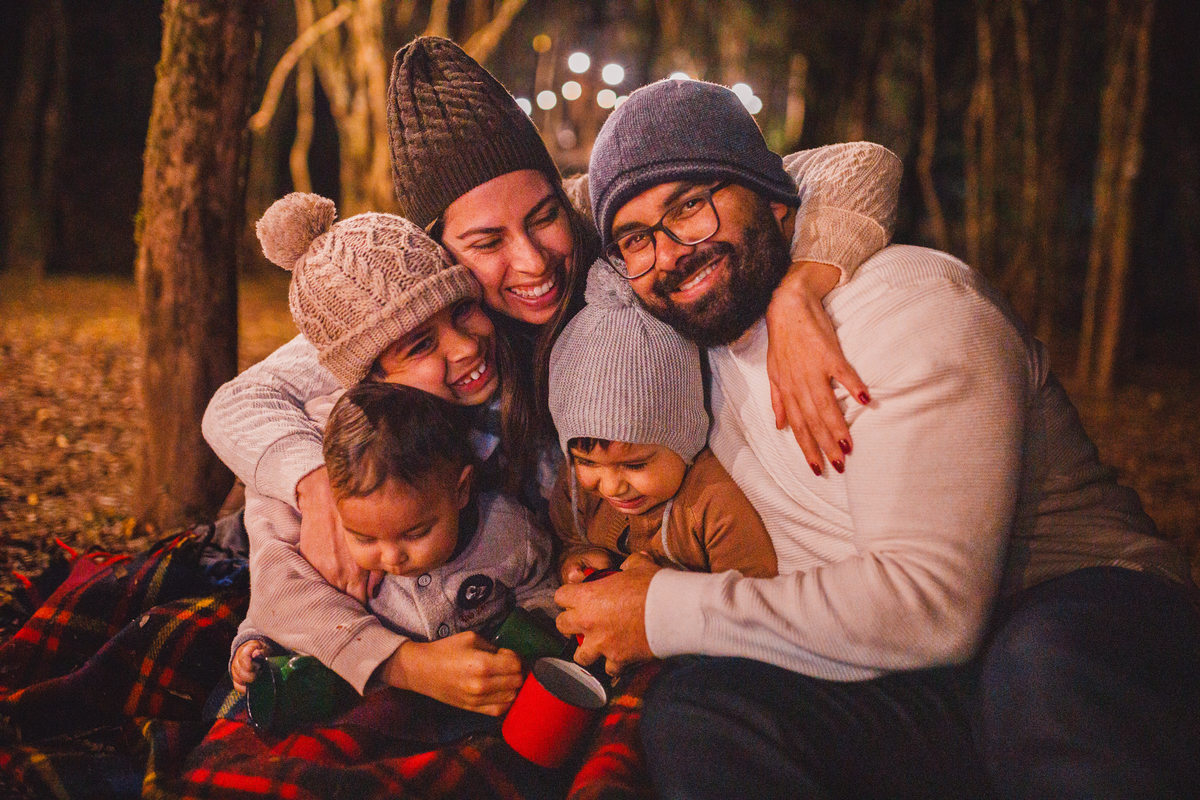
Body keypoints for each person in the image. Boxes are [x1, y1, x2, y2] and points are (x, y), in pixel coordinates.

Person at [554, 77, 1200, 799]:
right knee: (701, 713)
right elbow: (535, 205)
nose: (670, 253)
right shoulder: (681, 343)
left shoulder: (908, 309)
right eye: (636, 240)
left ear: (774, 196)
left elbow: (930, 608)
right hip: (914, 679)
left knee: (1040, 664)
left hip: (1073, 616)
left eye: (690, 208)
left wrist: (663, 610)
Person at [201, 35, 902, 603]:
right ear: (438, 254)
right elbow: (240, 400)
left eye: (543, 218)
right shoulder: (418, 311)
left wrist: (800, 290)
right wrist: (316, 487)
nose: (533, 261)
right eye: (485, 244)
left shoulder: (607, 221)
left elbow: (853, 165)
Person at [228, 193, 554, 704]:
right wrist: (405, 666)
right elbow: (279, 593)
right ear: (369, 374)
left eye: (463, 310)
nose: (466, 346)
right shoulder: (324, 447)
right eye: (420, 344)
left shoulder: (509, 406)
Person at [231, 382, 557, 720]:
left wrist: (530, 642)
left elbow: (541, 587)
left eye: (416, 533)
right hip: (381, 703)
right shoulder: (335, 560)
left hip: (491, 695)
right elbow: (279, 611)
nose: (390, 558)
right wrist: (254, 644)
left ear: (460, 491)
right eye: (364, 538)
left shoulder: (508, 532)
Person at [547, 262, 776, 586]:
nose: (611, 487)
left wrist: (667, 604)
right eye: (587, 462)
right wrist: (575, 558)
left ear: (685, 438)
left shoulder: (714, 506)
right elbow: (567, 543)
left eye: (636, 464)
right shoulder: (575, 491)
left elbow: (755, 609)